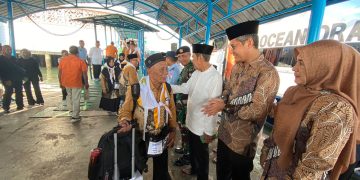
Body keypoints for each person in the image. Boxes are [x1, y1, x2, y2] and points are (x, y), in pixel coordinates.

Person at [260, 40, 360, 179]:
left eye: (301, 63)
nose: (294, 68)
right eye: (296, 62)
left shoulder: (336, 108)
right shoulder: (295, 92)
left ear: (326, 67)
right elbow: (277, 132)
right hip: (272, 168)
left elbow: (314, 167)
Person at [202, 20, 280, 180]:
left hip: (242, 144)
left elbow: (257, 110)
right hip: (224, 135)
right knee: (221, 175)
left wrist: (224, 106)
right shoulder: (238, 66)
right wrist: (221, 100)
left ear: (249, 43)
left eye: (234, 46)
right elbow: (228, 90)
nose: (232, 51)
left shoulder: (268, 73)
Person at [117, 53, 177, 180]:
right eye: (162, 69)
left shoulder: (167, 88)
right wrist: (124, 121)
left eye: (166, 68)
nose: (166, 73)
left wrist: (172, 129)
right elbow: (126, 110)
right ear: (149, 70)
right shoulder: (137, 88)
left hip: (161, 134)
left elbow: (171, 109)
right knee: (136, 168)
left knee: (161, 170)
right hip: (140, 137)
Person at [171, 44, 223, 180]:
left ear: (200, 57)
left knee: (202, 156)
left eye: (193, 56)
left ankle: (202, 177)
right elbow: (186, 88)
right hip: (191, 121)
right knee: (193, 150)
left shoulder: (215, 77)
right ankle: (193, 168)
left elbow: (213, 108)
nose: (192, 59)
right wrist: (168, 87)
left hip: (202, 125)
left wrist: (209, 131)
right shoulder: (196, 72)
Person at [173, 46, 195, 167]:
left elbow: (189, 89)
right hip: (181, 106)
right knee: (183, 130)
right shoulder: (185, 68)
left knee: (187, 131)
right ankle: (185, 149)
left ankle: (188, 156)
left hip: (187, 108)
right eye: (179, 57)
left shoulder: (193, 69)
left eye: (184, 55)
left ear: (190, 55)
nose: (182, 58)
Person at [58, 46, 88, 122]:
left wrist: (60, 82)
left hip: (66, 82)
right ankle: (75, 116)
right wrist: (86, 83)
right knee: (76, 99)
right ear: (77, 52)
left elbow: (59, 73)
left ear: (69, 52)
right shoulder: (81, 61)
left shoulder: (62, 60)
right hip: (76, 83)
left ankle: (71, 111)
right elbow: (84, 74)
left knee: (69, 96)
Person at [0, 45, 25, 113]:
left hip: (17, 78)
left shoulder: (13, 58)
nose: (9, 51)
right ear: (3, 50)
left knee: (19, 92)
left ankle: (20, 105)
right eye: (7, 50)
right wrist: (5, 80)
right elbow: (1, 71)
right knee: (9, 92)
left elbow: (18, 68)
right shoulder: (1, 59)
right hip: (7, 79)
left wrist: (23, 77)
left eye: (10, 49)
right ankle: (6, 107)